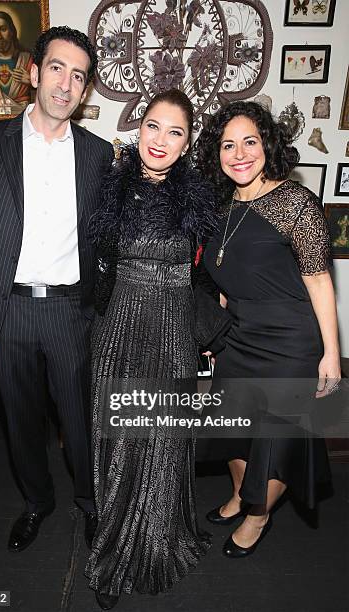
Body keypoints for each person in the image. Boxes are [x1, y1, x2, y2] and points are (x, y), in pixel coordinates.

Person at [0, 26, 114, 553]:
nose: (66, 84)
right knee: (21, 424)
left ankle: (91, 505)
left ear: (85, 88)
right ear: (33, 72)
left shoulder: (98, 154)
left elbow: (104, 237)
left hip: (71, 312)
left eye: (79, 75)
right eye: (57, 68)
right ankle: (37, 503)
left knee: (81, 420)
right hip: (8, 313)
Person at [84, 89, 219, 610]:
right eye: (153, 127)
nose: (161, 140)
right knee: (119, 444)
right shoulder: (109, 189)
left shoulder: (203, 198)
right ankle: (112, 554)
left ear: (186, 144)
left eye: (175, 131)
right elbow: (95, 264)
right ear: (138, 130)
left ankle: (159, 540)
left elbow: (210, 273)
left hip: (174, 336)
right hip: (119, 330)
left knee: (163, 444)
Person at [193, 100, 341, 557]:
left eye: (250, 142)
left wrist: (331, 352)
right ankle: (241, 495)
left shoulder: (295, 203)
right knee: (235, 429)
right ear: (216, 154)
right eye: (228, 144)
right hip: (237, 336)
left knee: (275, 439)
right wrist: (217, 332)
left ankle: (259, 516)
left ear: (267, 145)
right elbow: (219, 274)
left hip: (290, 340)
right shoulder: (219, 206)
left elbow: (319, 279)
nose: (239, 153)